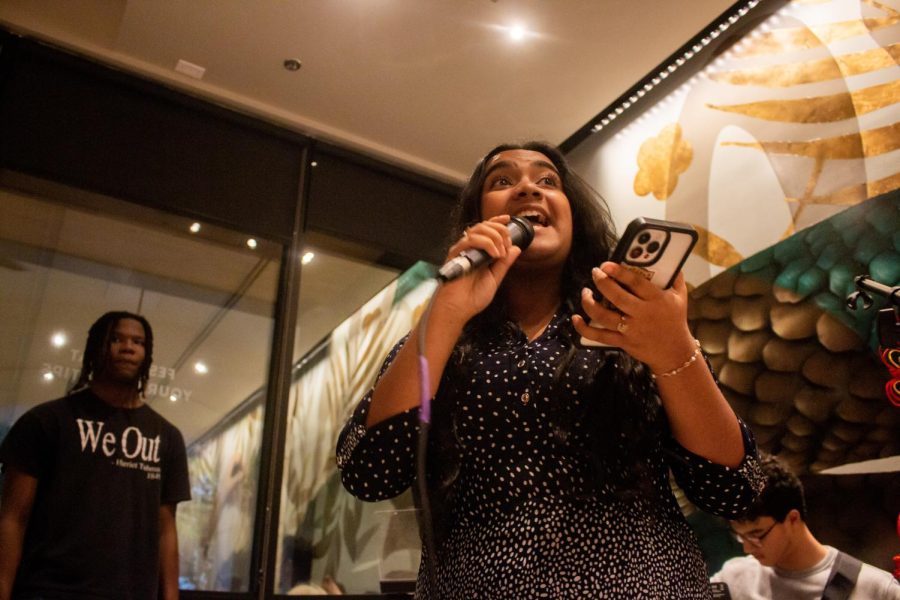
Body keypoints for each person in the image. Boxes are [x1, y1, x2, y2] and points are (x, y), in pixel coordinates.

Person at [336, 141, 765, 598]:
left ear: (573, 217)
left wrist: (674, 350)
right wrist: (444, 315)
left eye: (547, 181)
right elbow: (367, 472)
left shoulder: (632, 324)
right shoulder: (441, 337)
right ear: (477, 224)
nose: (527, 188)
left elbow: (736, 487)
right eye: (502, 181)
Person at [0, 311, 191, 600]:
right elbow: (13, 517)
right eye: (116, 339)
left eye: (137, 342)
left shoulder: (168, 437)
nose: (128, 347)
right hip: (49, 590)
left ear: (147, 354)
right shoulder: (46, 421)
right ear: (95, 348)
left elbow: (166, 529)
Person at [711, 453, 900, 599]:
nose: (747, 547)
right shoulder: (732, 580)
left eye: (757, 534)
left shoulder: (876, 587)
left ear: (792, 519)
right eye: (740, 536)